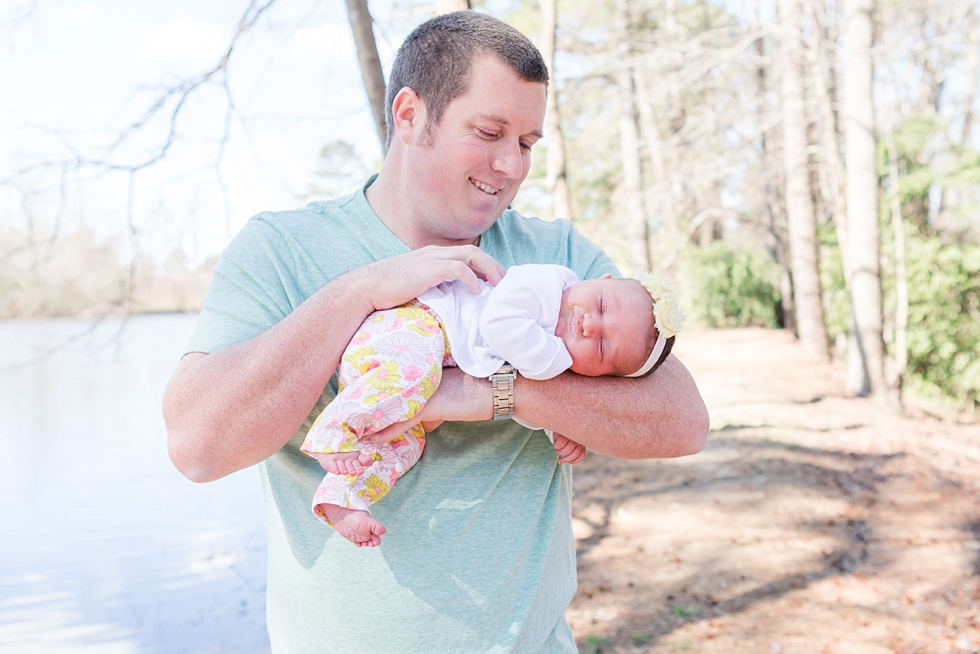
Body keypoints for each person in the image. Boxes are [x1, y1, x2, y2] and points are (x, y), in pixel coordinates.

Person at [163, 10, 708, 653]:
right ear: (409, 113)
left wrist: (497, 395)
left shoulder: (559, 263)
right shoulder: (281, 249)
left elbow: (680, 420)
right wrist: (359, 293)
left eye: (528, 143)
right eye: (489, 132)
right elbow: (198, 447)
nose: (510, 164)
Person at [303, 265, 686, 547]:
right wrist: (560, 366)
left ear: (601, 376)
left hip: (409, 377)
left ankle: (343, 497)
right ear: (599, 281)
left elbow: (522, 402)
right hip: (416, 323)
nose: (589, 325)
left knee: (407, 443)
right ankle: (334, 431)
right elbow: (501, 328)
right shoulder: (547, 285)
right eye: (601, 305)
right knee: (417, 372)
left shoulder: (553, 353)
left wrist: (560, 426)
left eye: (602, 346)